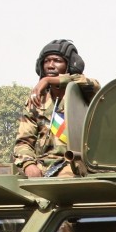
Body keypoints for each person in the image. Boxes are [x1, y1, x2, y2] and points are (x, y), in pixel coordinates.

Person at [13, 39, 100, 178]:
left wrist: (47, 80)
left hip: (75, 164)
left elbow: (93, 84)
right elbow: (23, 142)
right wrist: (29, 165)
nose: (50, 65)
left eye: (57, 60)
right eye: (46, 61)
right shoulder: (37, 101)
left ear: (70, 65)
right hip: (43, 166)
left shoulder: (83, 94)